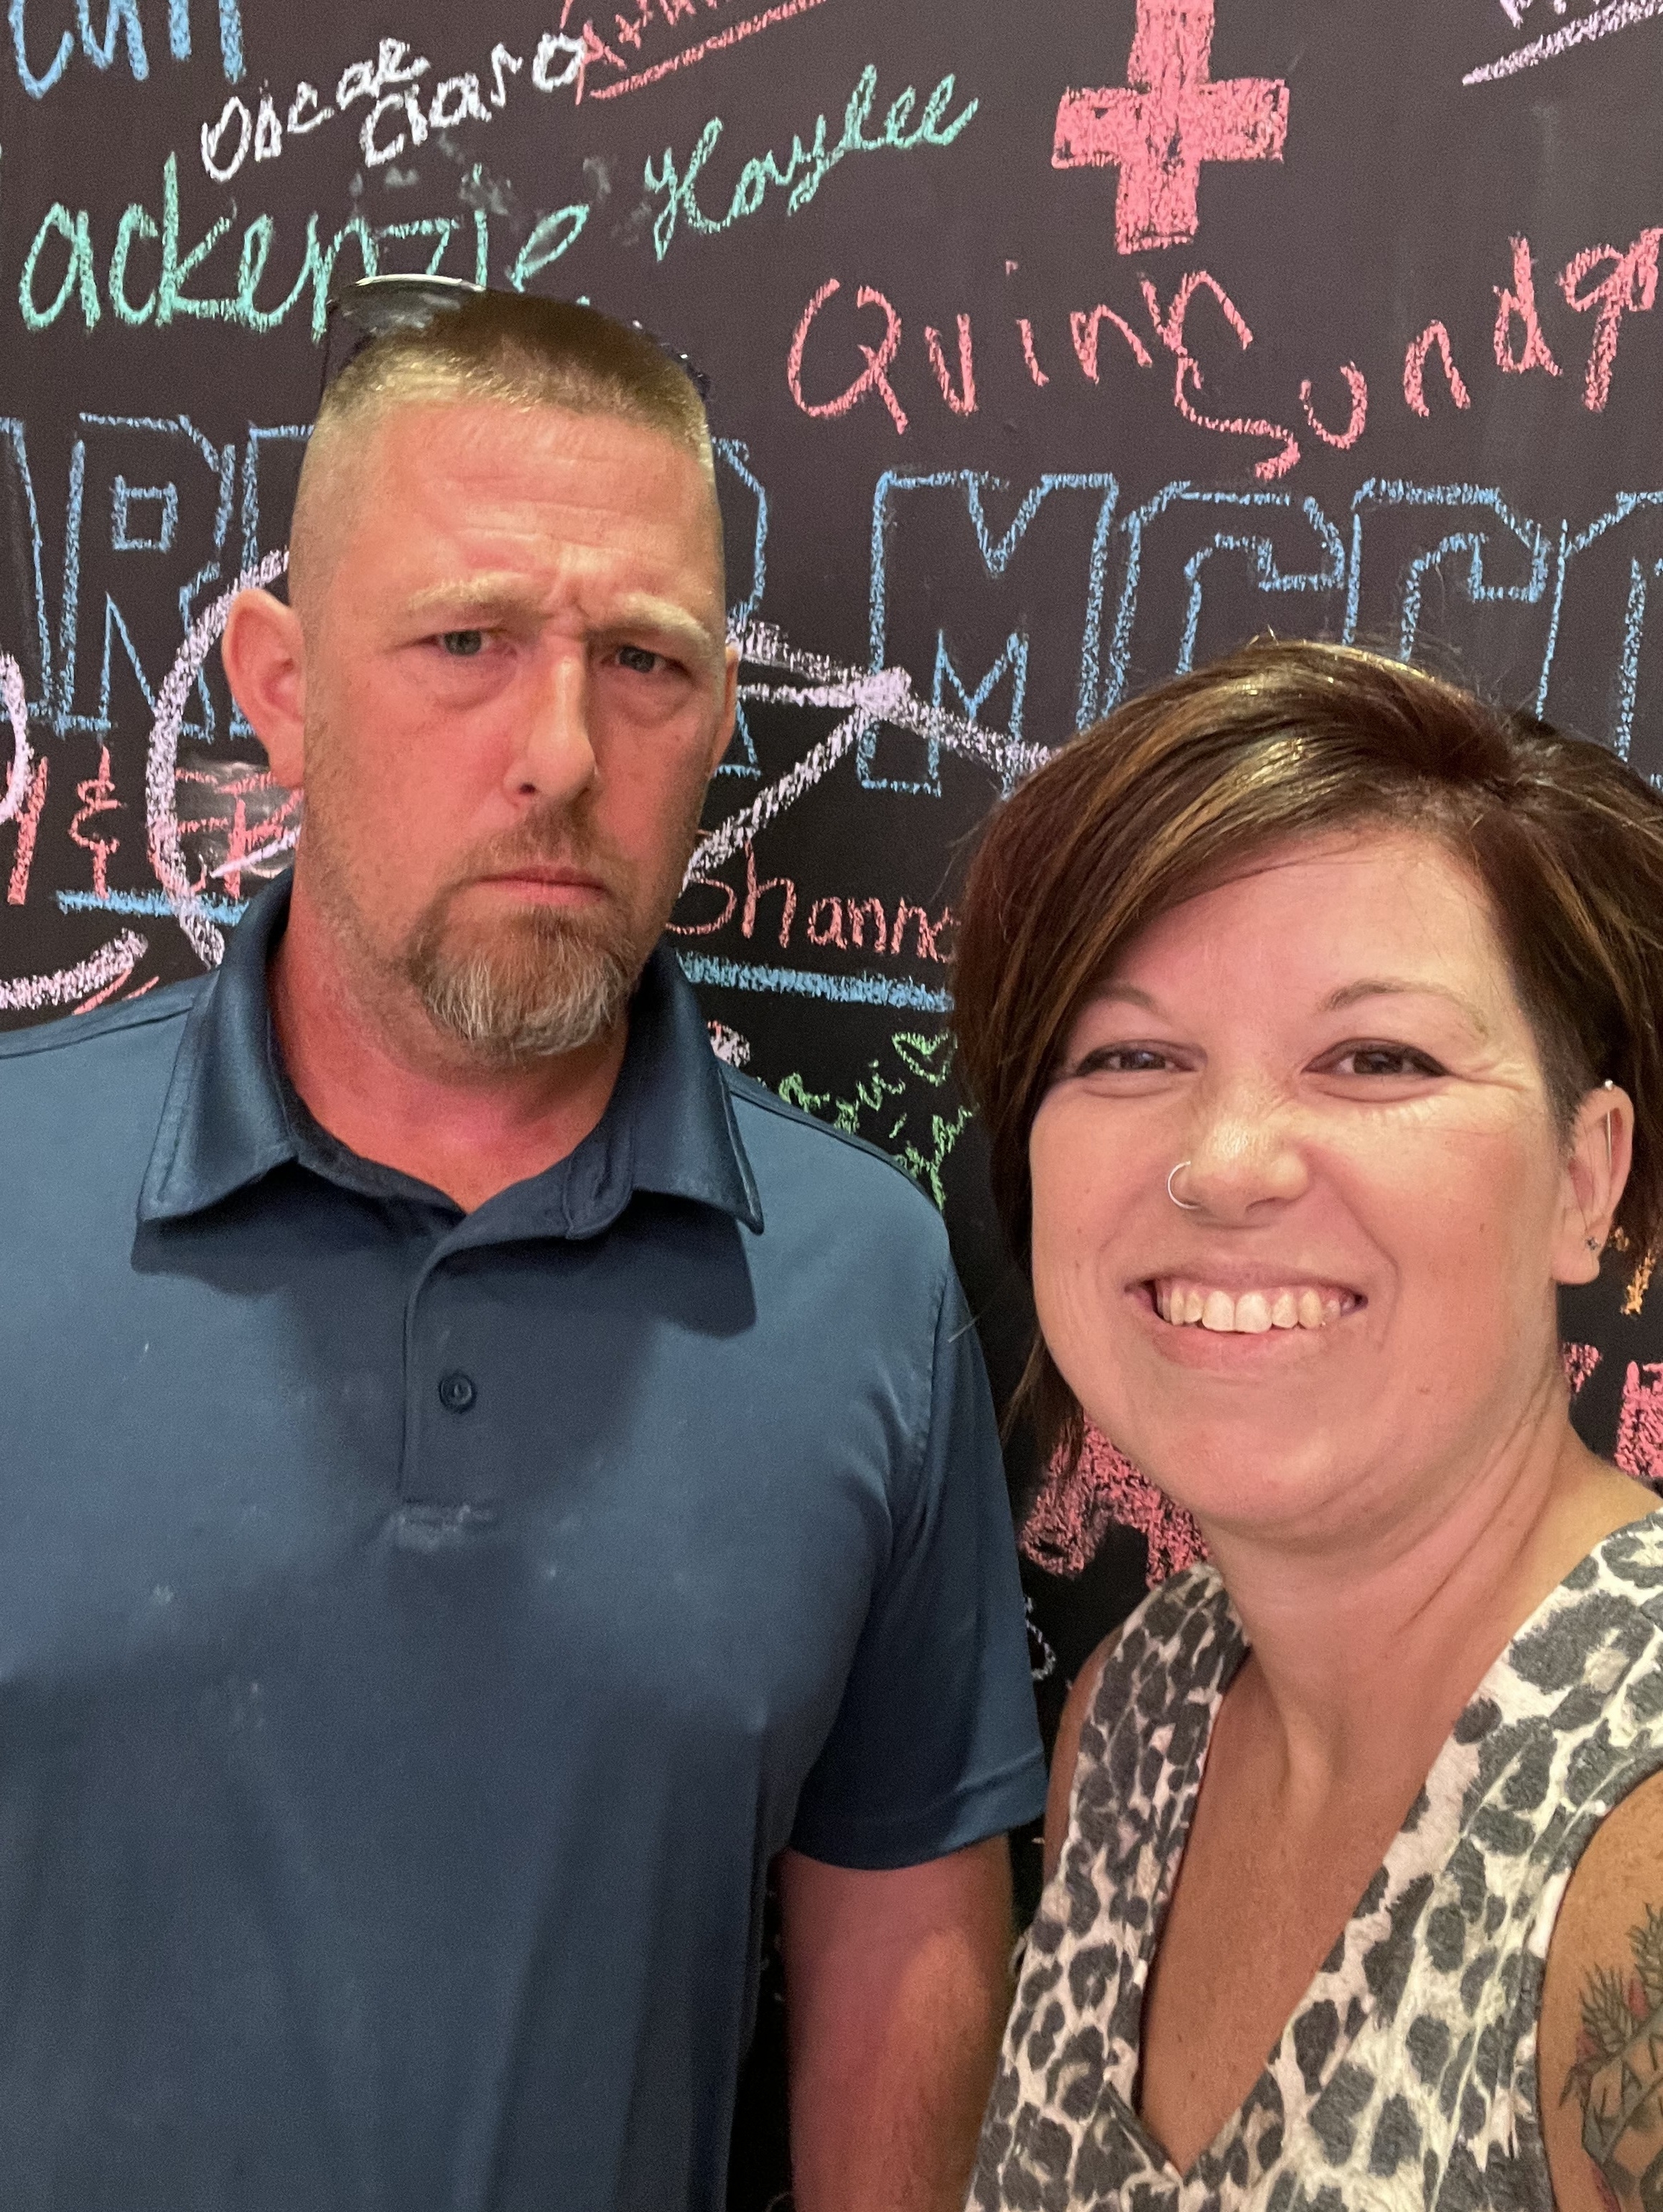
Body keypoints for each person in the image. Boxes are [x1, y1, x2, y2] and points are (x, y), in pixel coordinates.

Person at [0, 280, 1045, 2212]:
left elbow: (899, 1939)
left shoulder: (859, 1290)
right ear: (281, 686)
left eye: (643, 662)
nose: (558, 751)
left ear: (718, 716)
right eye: (465, 640)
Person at [952, 638, 1663, 2212]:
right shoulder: (1140, 1715)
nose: (1226, 1163)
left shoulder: (1636, 1853)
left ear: (1584, 1176)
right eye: (1131, 1054)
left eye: (1375, 1057)